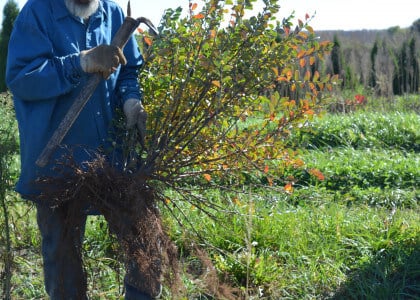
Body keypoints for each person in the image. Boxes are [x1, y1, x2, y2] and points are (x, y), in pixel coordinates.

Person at [6, 0, 151, 298]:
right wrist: (79, 62)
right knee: (63, 264)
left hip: (111, 161)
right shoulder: (37, 13)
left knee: (144, 245)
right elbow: (21, 79)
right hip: (56, 164)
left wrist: (131, 101)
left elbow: (128, 72)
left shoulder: (112, 14)